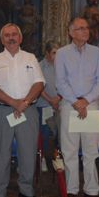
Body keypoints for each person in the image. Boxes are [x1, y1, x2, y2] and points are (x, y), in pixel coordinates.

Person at [0, 23, 45, 197]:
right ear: (2, 40)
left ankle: (26, 191)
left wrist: (24, 102)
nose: (11, 38)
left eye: (14, 34)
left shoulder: (30, 58)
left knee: (28, 152)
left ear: (20, 38)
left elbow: (39, 83)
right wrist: (14, 103)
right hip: (3, 111)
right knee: (0, 153)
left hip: (28, 110)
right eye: (7, 35)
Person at [55, 17, 99, 197]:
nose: (85, 31)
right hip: (70, 105)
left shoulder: (97, 53)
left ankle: (91, 190)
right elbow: (60, 82)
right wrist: (76, 102)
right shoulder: (62, 53)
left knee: (91, 150)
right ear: (70, 32)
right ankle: (71, 190)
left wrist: (86, 100)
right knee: (69, 150)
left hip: (91, 104)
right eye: (80, 28)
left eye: (86, 28)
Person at [36, 41, 62, 171]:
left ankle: (58, 158)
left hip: (60, 104)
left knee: (61, 133)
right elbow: (38, 87)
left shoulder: (62, 66)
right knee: (46, 133)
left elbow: (66, 84)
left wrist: (58, 99)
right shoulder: (39, 66)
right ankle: (45, 159)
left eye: (58, 53)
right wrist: (51, 100)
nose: (57, 56)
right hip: (44, 105)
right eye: (54, 53)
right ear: (47, 53)